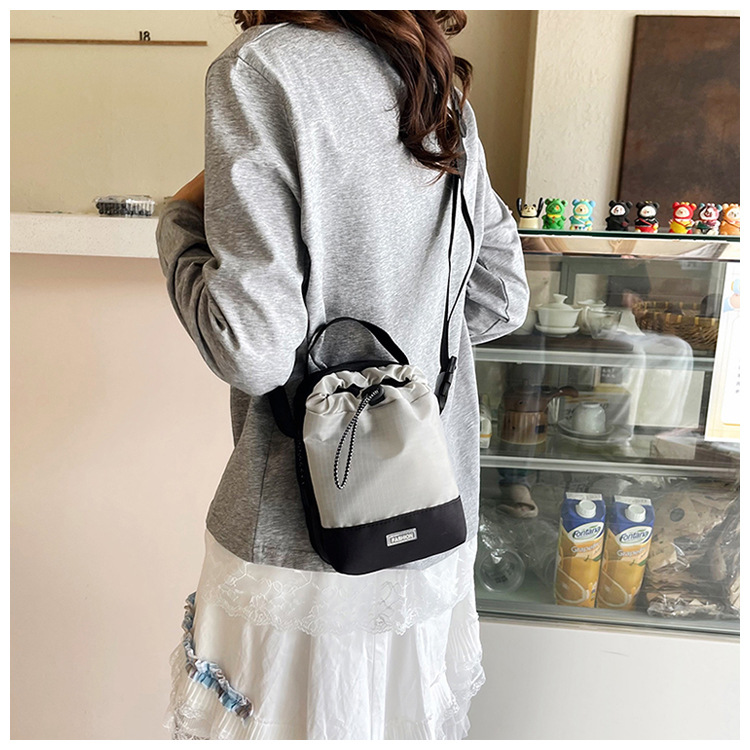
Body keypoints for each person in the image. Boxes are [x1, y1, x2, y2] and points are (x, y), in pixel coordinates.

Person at [156, 10, 528, 740]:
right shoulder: (432, 80)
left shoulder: (261, 69)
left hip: (301, 559)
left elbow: (252, 349)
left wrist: (176, 224)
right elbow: (499, 297)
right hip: (430, 529)